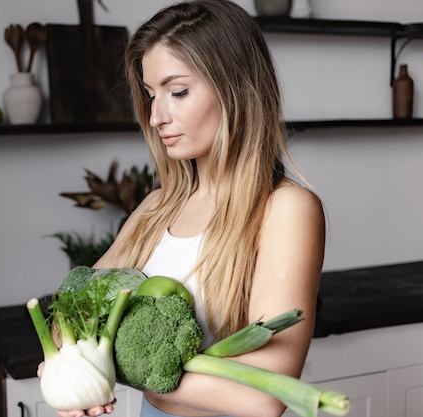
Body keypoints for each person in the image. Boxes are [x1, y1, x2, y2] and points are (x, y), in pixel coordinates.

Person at [45, 1, 325, 416]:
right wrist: (70, 369)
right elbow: (68, 315)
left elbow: (265, 396)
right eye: (149, 93)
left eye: (177, 92)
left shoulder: (286, 209)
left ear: (236, 89)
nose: (156, 116)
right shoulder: (157, 207)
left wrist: (105, 368)